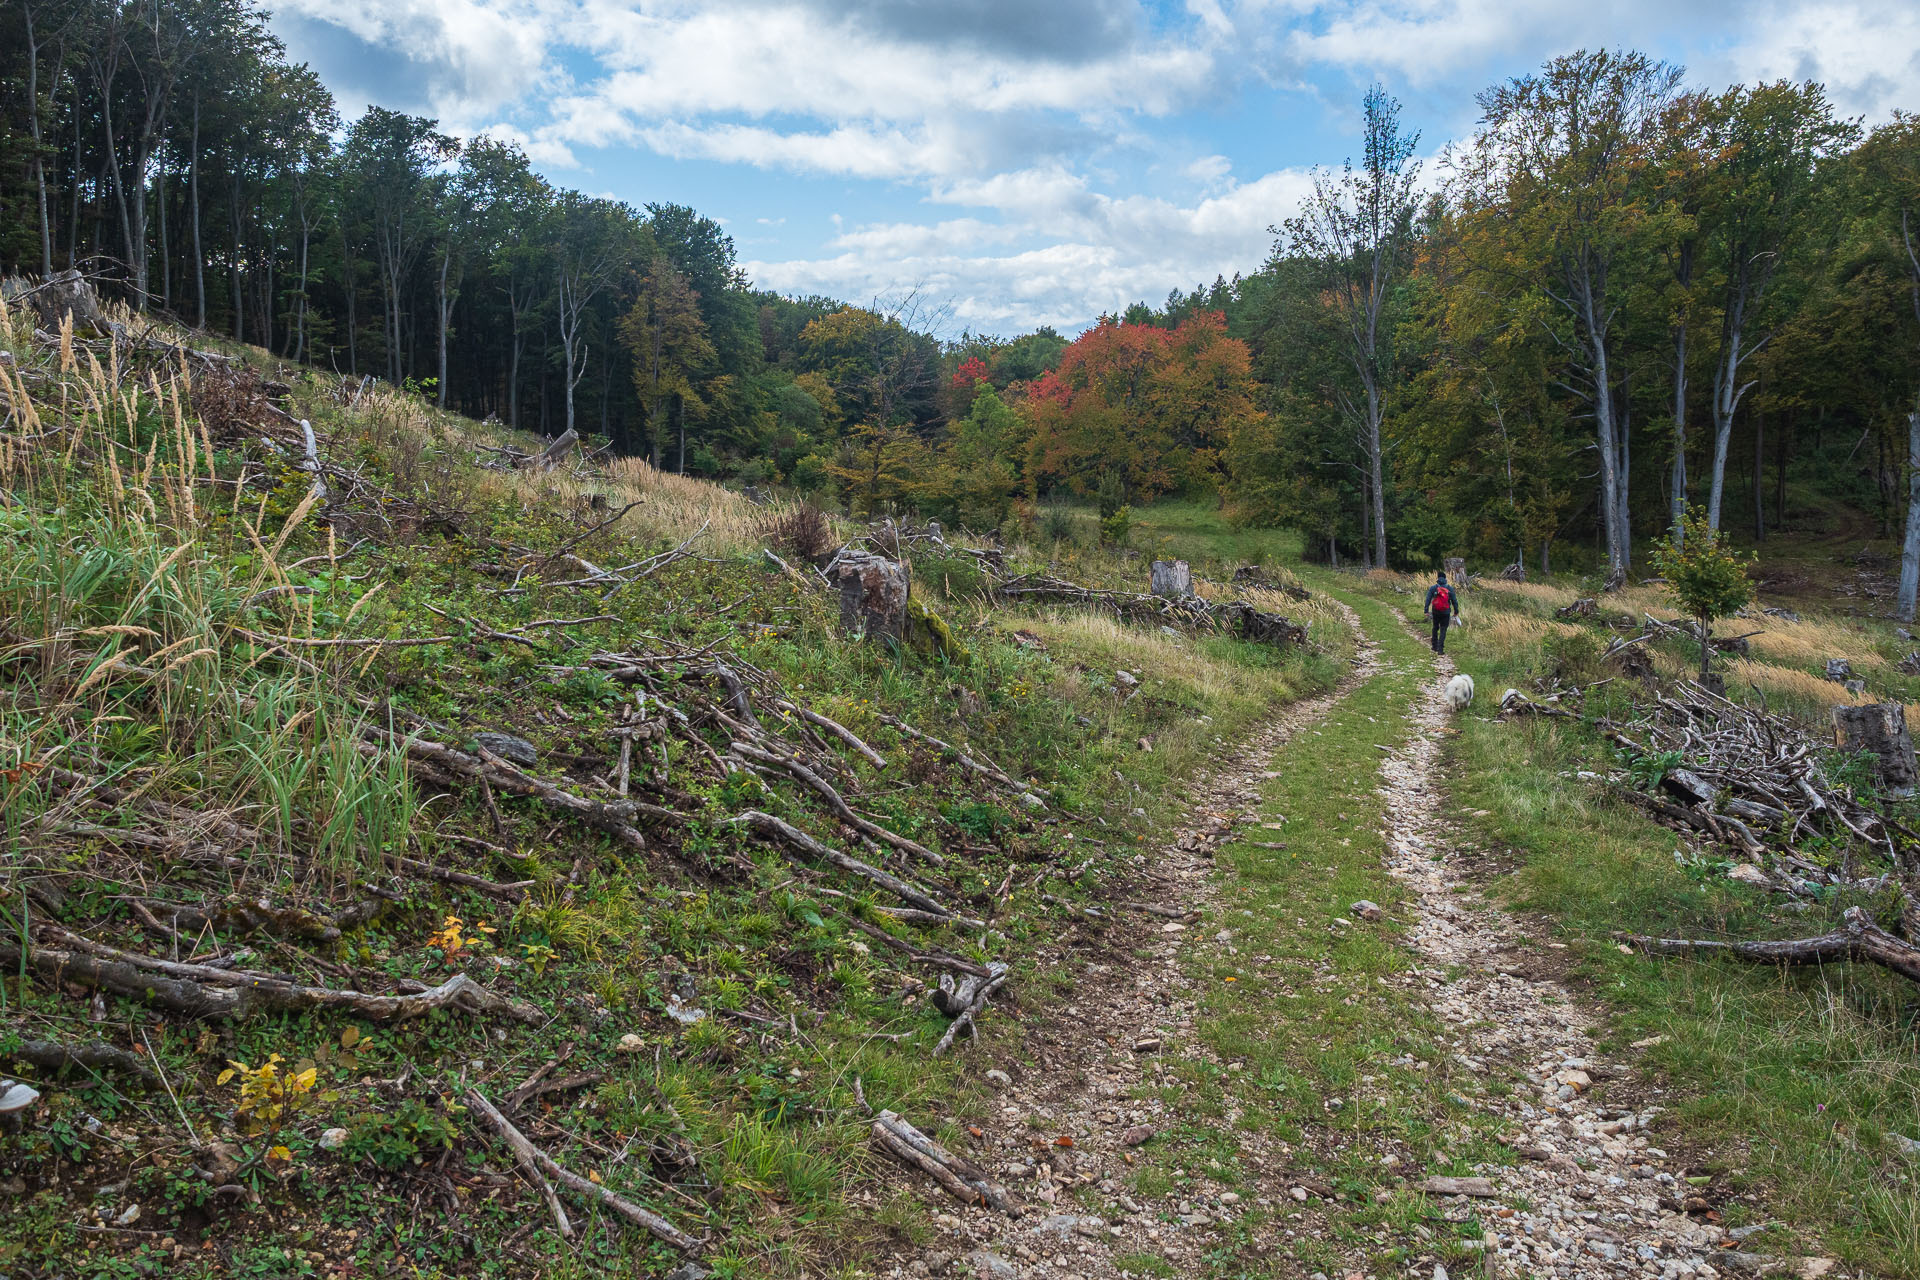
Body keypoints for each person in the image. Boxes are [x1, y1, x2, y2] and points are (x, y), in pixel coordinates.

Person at [1423, 571, 1458, 655]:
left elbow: (1428, 599)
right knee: (1443, 629)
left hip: (1435, 611)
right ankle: (1440, 649)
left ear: (1438, 578)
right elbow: (1454, 601)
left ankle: (1434, 646)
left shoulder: (1433, 588)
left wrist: (1426, 610)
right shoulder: (1449, 588)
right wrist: (1456, 611)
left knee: (1435, 627)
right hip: (1446, 612)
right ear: (1445, 578)